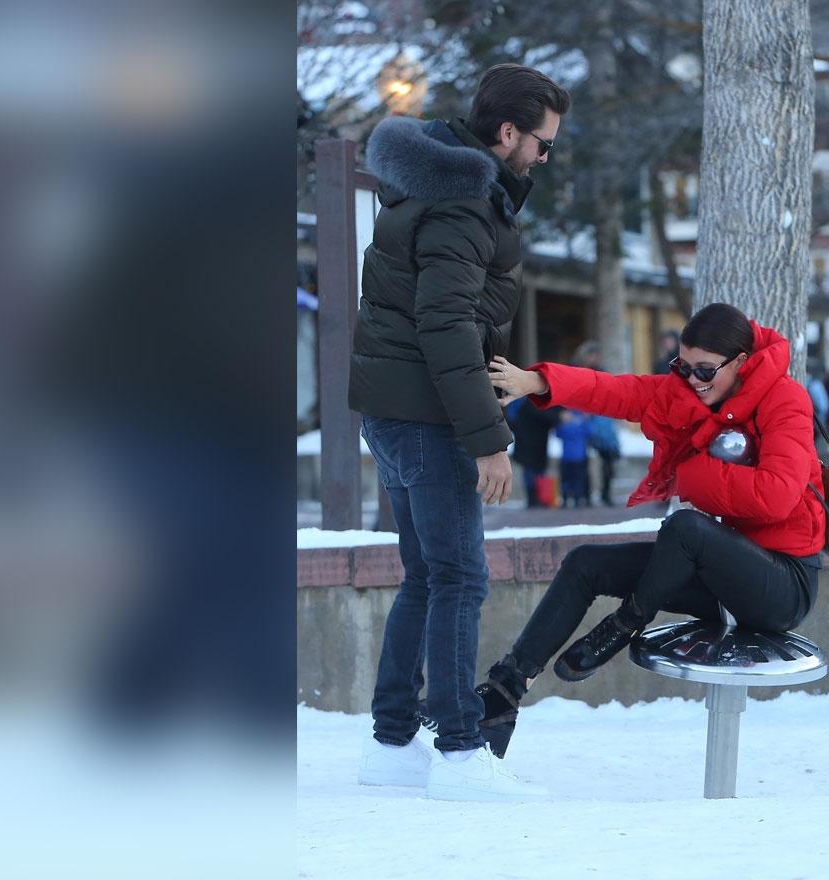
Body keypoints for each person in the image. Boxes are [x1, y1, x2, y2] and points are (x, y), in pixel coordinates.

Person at [348, 63, 570, 800]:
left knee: (428, 576)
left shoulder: (430, 186)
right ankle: (459, 751)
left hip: (395, 409)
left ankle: (390, 745)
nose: (544, 158)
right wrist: (487, 438)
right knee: (459, 579)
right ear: (507, 133)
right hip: (428, 417)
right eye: (542, 144)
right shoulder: (464, 205)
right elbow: (444, 325)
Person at [480, 303, 827, 758]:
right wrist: (536, 382)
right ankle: (503, 693)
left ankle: (626, 623)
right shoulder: (691, 391)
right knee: (586, 564)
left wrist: (693, 477)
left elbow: (778, 494)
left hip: (782, 583)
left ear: (741, 361)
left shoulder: (786, 400)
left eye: (705, 369)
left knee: (684, 527)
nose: (694, 379)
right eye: (684, 366)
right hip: (722, 570)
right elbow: (617, 391)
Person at [571, 340, 621, 505]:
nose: (594, 358)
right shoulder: (577, 371)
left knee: (608, 457)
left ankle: (605, 493)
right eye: (591, 355)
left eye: (596, 355)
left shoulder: (603, 372)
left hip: (601, 419)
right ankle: (584, 495)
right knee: (583, 459)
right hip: (584, 419)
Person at [507, 395, 560, 508]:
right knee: (532, 473)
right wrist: (559, 416)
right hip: (531, 445)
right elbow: (547, 417)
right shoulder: (531, 404)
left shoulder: (524, 403)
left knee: (532, 472)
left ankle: (535, 499)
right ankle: (534, 500)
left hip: (528, 445)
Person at [555, 410, 593, 507]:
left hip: (572, 456)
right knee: (573, 480)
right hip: (574, 456)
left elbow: (558, 433)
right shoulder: (579, 419)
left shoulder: (576, 419)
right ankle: (571, 499)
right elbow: (589, 433)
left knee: (571, 480)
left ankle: (571, 499)